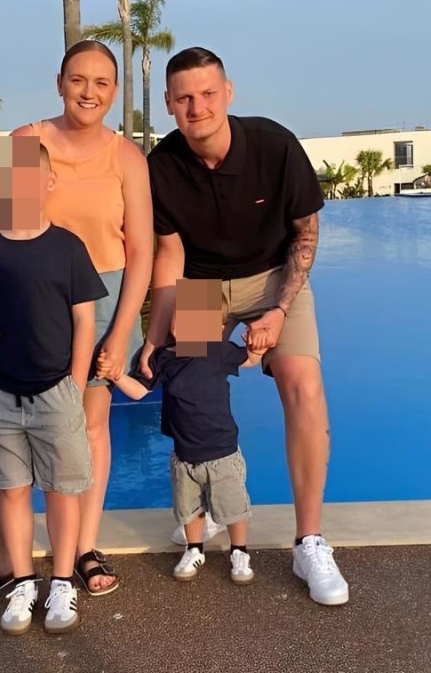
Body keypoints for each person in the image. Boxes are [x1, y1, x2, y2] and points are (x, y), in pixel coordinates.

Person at [141, 47, 349, 606]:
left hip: (272, 278)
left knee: (303, 386)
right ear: (168, 104)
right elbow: (168, 255)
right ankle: (201, 516)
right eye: (184, 97)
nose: (197, 106)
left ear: (228, 93)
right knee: (185, 395)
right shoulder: (161, 165)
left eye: (207, 93)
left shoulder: (274, 145)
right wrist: (155, 334)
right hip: (203, 287)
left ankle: (310, 541)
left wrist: (278, 310)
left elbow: (305, 235)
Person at [0, 40, 153, 598]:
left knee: (85, 429)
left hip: (100, 299)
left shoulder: (127, 158)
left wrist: (119, 332)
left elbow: (141, 250)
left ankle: (81, 549)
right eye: (78, 79)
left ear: (114, 92)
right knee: (1, 432)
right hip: (20, 300)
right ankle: (0, 556)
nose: (88, 91)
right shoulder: (23, 143)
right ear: (59, 82)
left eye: (101, 82)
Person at [0, 139, 107, 635]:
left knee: (62, 492)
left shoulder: (67, 247)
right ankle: (21, 582)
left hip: (55, 393)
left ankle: (61, 582)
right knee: (12, 492)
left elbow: (85, 320)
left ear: (48, 183)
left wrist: (77, 383)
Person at [110, 279, 267, 584]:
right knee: (188, 508)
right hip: (184, 454)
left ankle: (239, 551)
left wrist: (257, 345)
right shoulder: (163, 358)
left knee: (233, 507)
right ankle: (195, 549)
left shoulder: (219, 351)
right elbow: (140, 391)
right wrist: (116, 375)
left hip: (223, 452)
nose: (183, 324)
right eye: (178, 317)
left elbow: (249, 360)